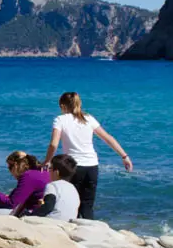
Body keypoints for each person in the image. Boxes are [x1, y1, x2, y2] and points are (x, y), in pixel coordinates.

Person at [42, 91, 132, 220]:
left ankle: (72, 229)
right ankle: (89, 229)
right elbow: (108, 138)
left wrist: (48, 160)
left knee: (73, 202)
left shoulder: (60, 119)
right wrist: (124, 156)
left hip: (73, 167)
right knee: (88, 204)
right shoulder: (88, 118)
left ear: (62, 106)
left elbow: (53, 144)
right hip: (92, 166)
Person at [30, 154, 80, 221]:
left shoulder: (52, 185)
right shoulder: (73, 188)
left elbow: (48, 207)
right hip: (68, 221)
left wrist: (31, 215)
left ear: (56, 172)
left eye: (50, 168)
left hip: (53, 222)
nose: (48, 171)